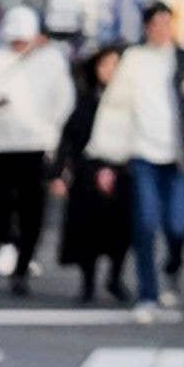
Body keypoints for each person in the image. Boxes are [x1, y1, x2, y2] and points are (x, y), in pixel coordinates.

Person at [88, 1, 184, 320]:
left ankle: (172, 263)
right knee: (145, 224)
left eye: (167, 22)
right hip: (143, 155)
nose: (162, 29)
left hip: (180, 158)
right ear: (146, 28)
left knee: (177, 225)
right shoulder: (133, 60)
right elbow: (114, 109)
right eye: (156, 23)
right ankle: (148, 293)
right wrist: (106, 159)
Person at [0, 6, 73, 296]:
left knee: (32, 211)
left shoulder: (51, 63)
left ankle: (22, 268)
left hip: (35, 147)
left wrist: (52, 136)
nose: (19, 45)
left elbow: (63, 102)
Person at [56, 44, 134, 304]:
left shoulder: (133, 101)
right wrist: (59, 172)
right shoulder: (87, 99)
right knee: (87, 230)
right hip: (88, 170)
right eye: (105, 65)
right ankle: (87, 282)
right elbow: (69, 137)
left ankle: (114, 277)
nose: (110, 71)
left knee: (121, 231)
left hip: (124, 169)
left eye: (116, 65)